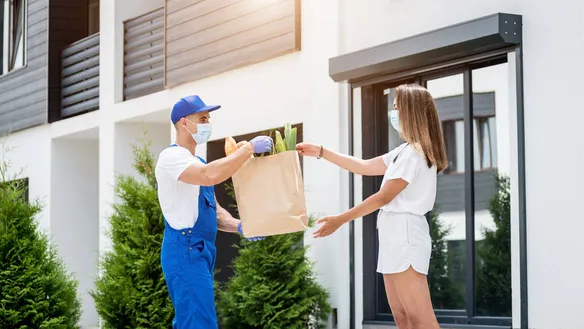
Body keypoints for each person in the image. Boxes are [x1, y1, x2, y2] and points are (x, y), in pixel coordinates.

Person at [296, 84, 447, 329]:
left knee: (421, 321)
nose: (393, 112)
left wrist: (340, 219)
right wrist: (321, 152)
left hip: (405, 235)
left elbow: (382, 198)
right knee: (403, 319)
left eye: (397, 107)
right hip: (394, 236)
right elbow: (364, 166)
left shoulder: (413, 154)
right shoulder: (404, 151)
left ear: (411, 112)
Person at [154, 95, 273, 329]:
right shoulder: (172, 158)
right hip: (184, 248)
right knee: (199, 322)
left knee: (194, 319)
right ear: (184, 123)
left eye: (208, 118)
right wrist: (248, 149)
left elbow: (215, 213)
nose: (207, 123)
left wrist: (240, 226)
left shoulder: (196, 160)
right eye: (202, 118)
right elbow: (210, 175)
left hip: (202, 249)